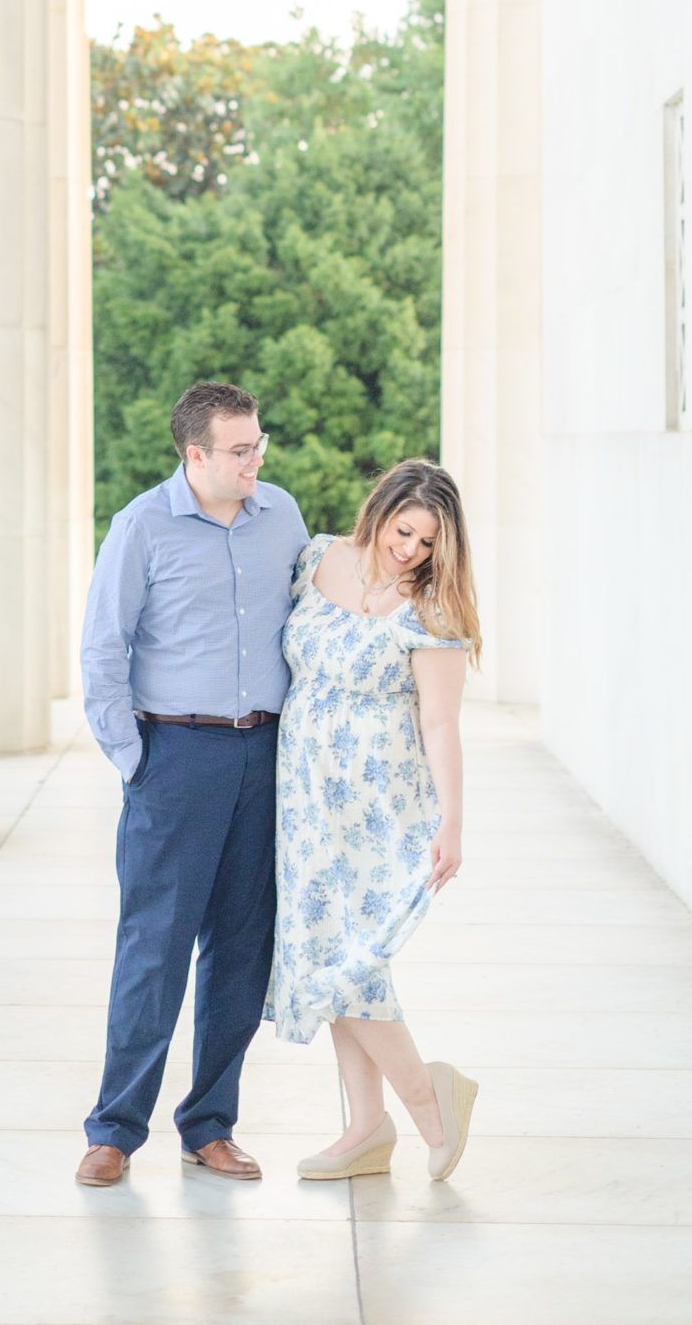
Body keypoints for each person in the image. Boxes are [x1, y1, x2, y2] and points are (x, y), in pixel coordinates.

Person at [75, 381, 308, 1187]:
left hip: (264, 756)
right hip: (175, 757)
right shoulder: (140, 526)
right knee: (153, 950)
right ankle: (113, 1130)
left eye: (258, 445)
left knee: (242, 950)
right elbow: (104, 649)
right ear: (195, 454)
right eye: (239, 449)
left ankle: (209, 1125)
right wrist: (135, 760)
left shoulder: (281, 516)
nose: (256, 460)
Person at [268, 458, 482, 1182]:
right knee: (334, 959)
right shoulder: (314, 560)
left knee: (349, 961)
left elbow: (440, 723)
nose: (410, 551)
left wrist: (451, 821)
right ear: (379, 511)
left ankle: (426, 1105)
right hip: (303, 800)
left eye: (427, 542)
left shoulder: (432, 608)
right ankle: (364, 1128)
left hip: (378, 806)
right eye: (403, 531)